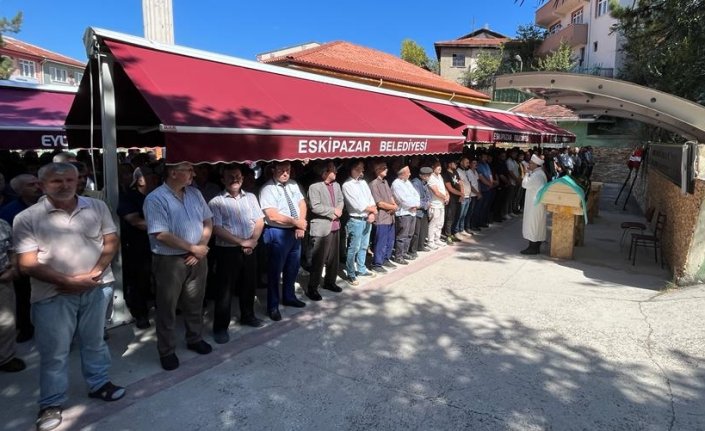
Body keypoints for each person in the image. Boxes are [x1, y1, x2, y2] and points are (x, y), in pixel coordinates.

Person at [13, 163, 125, 431]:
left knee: (95, 342)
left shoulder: (97, 206)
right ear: (42, 185)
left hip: (96, 287)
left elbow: (111, 241)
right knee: (55, 352)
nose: (65, 185)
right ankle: (51, 403)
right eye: (57, 181)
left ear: (78, 181)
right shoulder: (27, 217)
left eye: (70, 180)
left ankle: (99, 384)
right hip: (53, 294)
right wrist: (69, 282)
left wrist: (93, 275)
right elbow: (27, 263)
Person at [143, 162, 214, 371]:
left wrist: (200, 247)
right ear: (173, 173)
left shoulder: (195, 193)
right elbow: (160, 234)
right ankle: (166, 350)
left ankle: (194, 338)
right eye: (189, 170)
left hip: (197, 257)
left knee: (195, 302)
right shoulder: (155, 198)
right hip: (170, 261)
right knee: (167, 307)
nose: (194, 173)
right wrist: (193, 248)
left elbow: (208, 221)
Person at [209, 165, 265, 344]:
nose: (235, 179)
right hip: (228, 250)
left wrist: (253, 240)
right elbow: (217, 229)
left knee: (249, 284)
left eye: (238, 176)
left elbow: (259, 220)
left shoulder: (251, 197)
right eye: (230, 176)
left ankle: (248, 316)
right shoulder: (216, 202)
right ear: (222, 180)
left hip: (250, 246)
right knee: (225, 290)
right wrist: (242, 242)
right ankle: (220, 328)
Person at [259, 161, 307, 322]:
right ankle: (272, 306)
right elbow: (272, 215)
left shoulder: (293, 184)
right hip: (277, 231)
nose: (286, 173)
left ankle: (289, 296)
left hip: (294, 230)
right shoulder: (267, 189)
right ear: (273, 170)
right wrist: (295, 222)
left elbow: (302, 204)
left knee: (292, 267)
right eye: (282, 170)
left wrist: (300, 223)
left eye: (288, 170)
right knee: (275, 271)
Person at [116, 166, 160, 329]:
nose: (155, 179)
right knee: (140, 281)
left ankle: (161, 307)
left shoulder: (158, 196)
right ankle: (140, 313)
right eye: (150, 175)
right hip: (138, 246)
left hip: (160, 244)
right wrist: (165, 227)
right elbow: (135, 221)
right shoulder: (128, 198)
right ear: (140, 180)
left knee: (160, 278)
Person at [0, 174, 41, 343]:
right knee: (23, 296)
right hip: (24, 261)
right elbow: (8, 243)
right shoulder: (8, 212)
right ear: (19, 190)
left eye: (38, 183)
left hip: (48, 259)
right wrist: (14, 265)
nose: (37, 187)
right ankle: (25, 328)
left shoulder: (50, 205)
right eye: (31, 185)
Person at [306, 162, 345, 301]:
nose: (336, 172)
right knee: (318, 260)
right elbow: (315, 206)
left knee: (334, 259)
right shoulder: (314, 187)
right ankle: (312, 288)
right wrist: (333, 211)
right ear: (325, 172)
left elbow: (341, 200)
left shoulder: (337, 185)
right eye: (333, 170)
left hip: (335, 225)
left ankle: (330, 282)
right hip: (321, 227)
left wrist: (338, 211)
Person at [342, 160, 378, 285]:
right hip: (356, 220)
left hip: (367, 218)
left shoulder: (363, 182)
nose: (362, 170)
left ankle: (361, 268)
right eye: (359, 168)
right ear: (352, 169)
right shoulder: (347, 185)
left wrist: (372, 213)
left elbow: (370, 199)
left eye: (362, 168)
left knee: (364, 246)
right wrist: (372, 210)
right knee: (354, 248)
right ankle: (351, 273)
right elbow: (357, 205)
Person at [0, 218, 25, 372]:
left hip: (4, 280)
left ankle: (5, 358)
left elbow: (12, 250)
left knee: (6, 322)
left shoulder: (2, 224)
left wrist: (13, 269)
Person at [369, 161, 398, 271]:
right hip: (381, 218)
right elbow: (379, 203)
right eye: (383, 168)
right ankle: (377, 264)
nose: (386, 169)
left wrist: (394, 205)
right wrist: (393, 207)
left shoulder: (385, 182)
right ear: (377, 170)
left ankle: (386, 258)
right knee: (380, 242)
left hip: (390, 217)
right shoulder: (373, 184)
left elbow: (391, 197)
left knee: (390, 241)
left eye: (386, 167)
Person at [391, 166, 420, 264]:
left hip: (412, 212)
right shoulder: (396, 183)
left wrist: (416, 205)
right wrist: (412, 205)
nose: (410, 174)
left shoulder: (407, 182)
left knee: (410, 234)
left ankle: (404, 252)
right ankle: (398, 256)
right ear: (402, 174)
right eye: (408, 172)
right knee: (402, 235)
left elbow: (416, 194)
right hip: (403, 212)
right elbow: (402, 199)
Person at [521, 154, 548, 255]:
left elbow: (524, 184)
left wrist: (526, 173)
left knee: (533, 224)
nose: (529, 165)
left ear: (536, 165)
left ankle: (532, 247)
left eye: (531, 163)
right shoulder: (540, 173)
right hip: (536, 204)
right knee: (537, 224)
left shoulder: (537, 175)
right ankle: (535, 247)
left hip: (534, 205)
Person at [409, 166, 432, 255]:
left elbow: (428, 195)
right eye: (427, 175)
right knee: (416, 232)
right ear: (422, 175)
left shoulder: (425, 183)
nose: (429, 177)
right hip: (417, 211)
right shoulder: (416, 183)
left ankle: (421, 246)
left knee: (423, 230)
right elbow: (416, 199)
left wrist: (428, 202)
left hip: (424, 210)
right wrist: (426, 204)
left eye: (429, 175)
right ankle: (413, 250)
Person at [427, 161, 449, 249]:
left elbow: (443, 188)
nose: (439, 168)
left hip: (441, 203)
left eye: (440, 166)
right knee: (433, 223)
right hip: (434, 204)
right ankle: (430, 241)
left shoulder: (440, 176)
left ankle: (437, 239)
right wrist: (445, 197)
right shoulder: (431, 177)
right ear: (433, 167)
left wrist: (447, 195)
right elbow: (436, 192)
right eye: (437, 166)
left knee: (440, 223)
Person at [442, 159, 464, 243]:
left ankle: (453, 233)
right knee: (449, 217)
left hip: (458, 198)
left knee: (456, 216)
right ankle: (447, 235)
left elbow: (460, 183)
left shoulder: (455, 172)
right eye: (454, 163)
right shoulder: (446, 174)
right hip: (451, 199)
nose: (456, 164)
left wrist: (462, 194)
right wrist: (460, 193)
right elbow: (450, 188)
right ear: (449, 164)